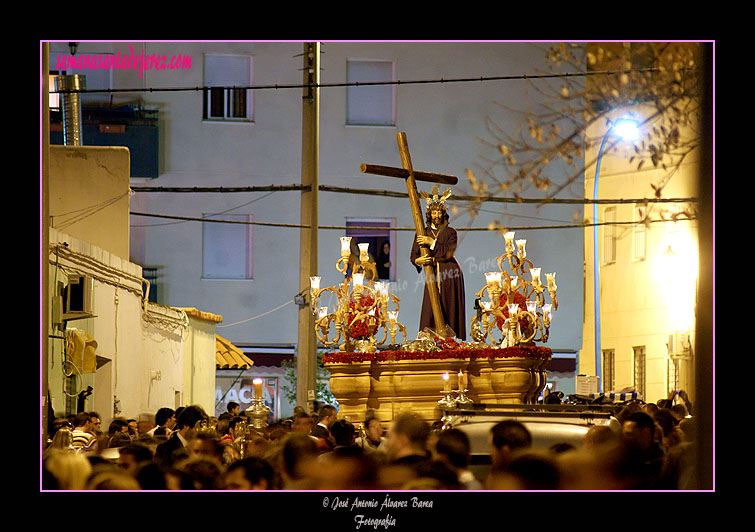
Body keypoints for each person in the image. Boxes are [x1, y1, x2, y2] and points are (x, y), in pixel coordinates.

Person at [410, 186, 466, 340]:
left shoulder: (450, 233)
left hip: (449, 273)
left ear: (443, 214)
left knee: (448, 306)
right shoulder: (422, 232)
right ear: (429, 214)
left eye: (439, 212)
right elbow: (414, 255)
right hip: (432, 273)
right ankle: (430, 340)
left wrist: (432, 242)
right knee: (431, 307)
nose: (436, 215)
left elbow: (448, 252)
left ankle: (448, 338)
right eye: (434, 212)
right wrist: (418, 261)